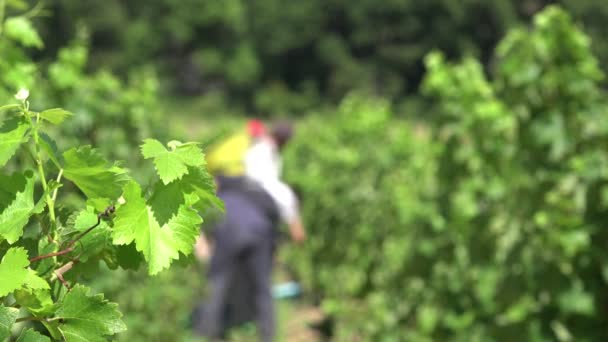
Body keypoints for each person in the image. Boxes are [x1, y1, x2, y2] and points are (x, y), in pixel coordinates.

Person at [194, 120, 305, 342]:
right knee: (263, 287)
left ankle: (206, 333)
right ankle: (267, 336)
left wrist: (203, 239)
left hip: (228, 226)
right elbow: (282, 198)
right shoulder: (266, 167)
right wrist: (295, 228)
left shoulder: (231, 177)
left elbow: (206, 211)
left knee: (217, 282)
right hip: (259, 231)